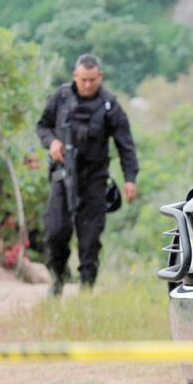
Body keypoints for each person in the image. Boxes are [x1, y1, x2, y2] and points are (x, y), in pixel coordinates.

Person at [36, 54, 138, 295]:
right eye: (83, 80)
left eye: (93, 80)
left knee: (90, 239)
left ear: (100, 76)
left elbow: (125, 145)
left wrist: (130, 178)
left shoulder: (110, 105)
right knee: (55, 232)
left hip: (95, 179)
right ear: (75, 76)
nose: (88, 84)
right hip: (63, 176)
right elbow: (43, 126)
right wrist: (52, 142)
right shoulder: (61, 97)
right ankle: (58, 279)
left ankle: (86, 290)